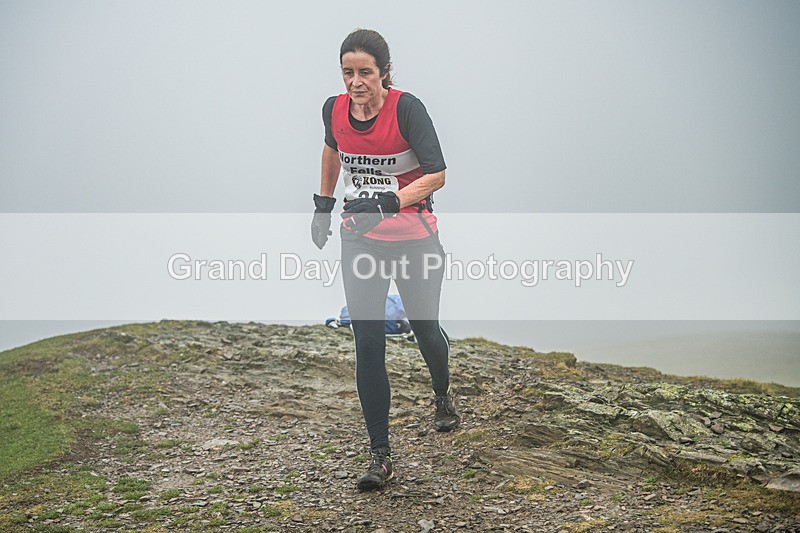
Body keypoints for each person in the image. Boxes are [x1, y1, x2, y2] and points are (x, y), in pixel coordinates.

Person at [311, 28, 459, 492]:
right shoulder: (333, 110)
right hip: (360, 239)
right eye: (347, 72)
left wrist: (389, 202)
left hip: (414, 236)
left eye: (365, 73)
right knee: (367, 340)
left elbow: (437, 174)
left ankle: (443, 396)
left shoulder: (407, 110)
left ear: (384, 73)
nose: (356, 82)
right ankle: (381, 455)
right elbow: (333, 150)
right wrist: (322, 205)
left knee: (424, 327)